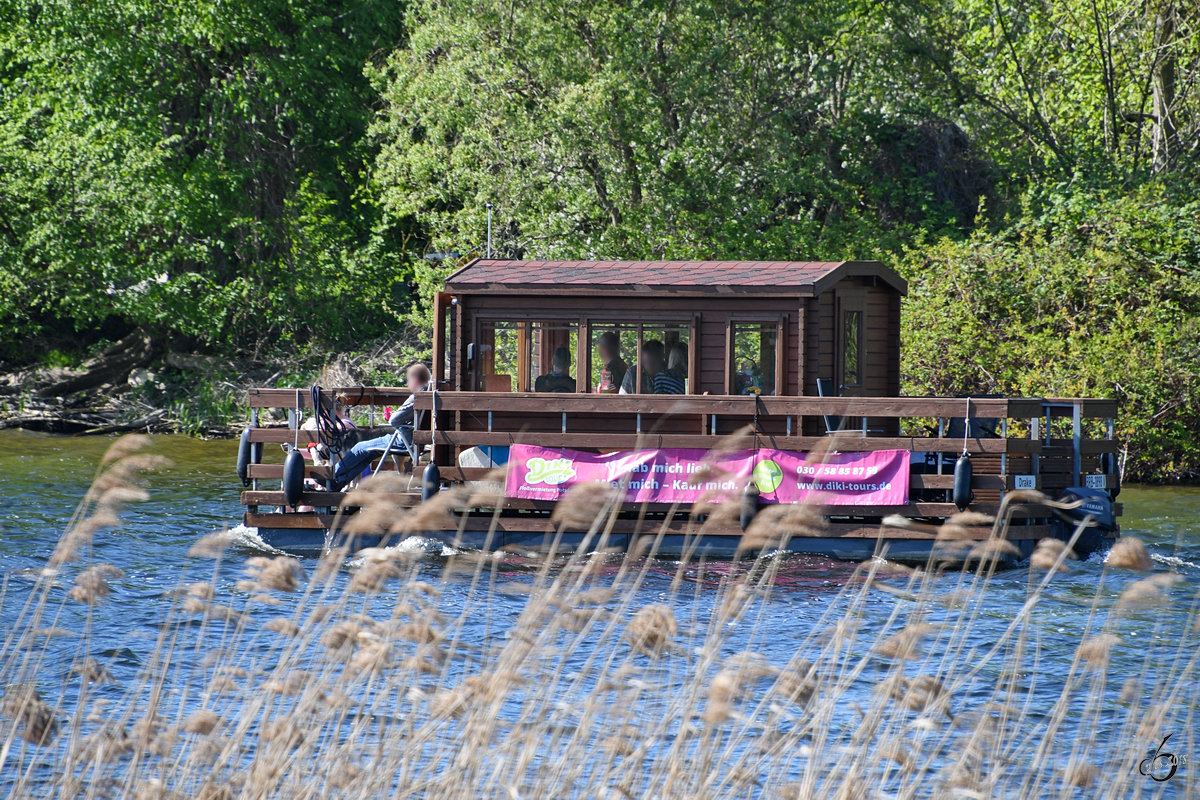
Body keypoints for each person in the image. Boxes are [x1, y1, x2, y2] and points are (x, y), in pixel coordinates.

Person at [330, 363, 430, 490]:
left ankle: (330, 478)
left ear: (415, 379)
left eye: (408, 380)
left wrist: (395, 414)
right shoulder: (429, 393)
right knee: (368, 453)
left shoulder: (417, 397)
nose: (407, 384)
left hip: (403, 441)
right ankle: (337, 482)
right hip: (415, 441)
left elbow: (394, 421)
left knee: (360, 448)